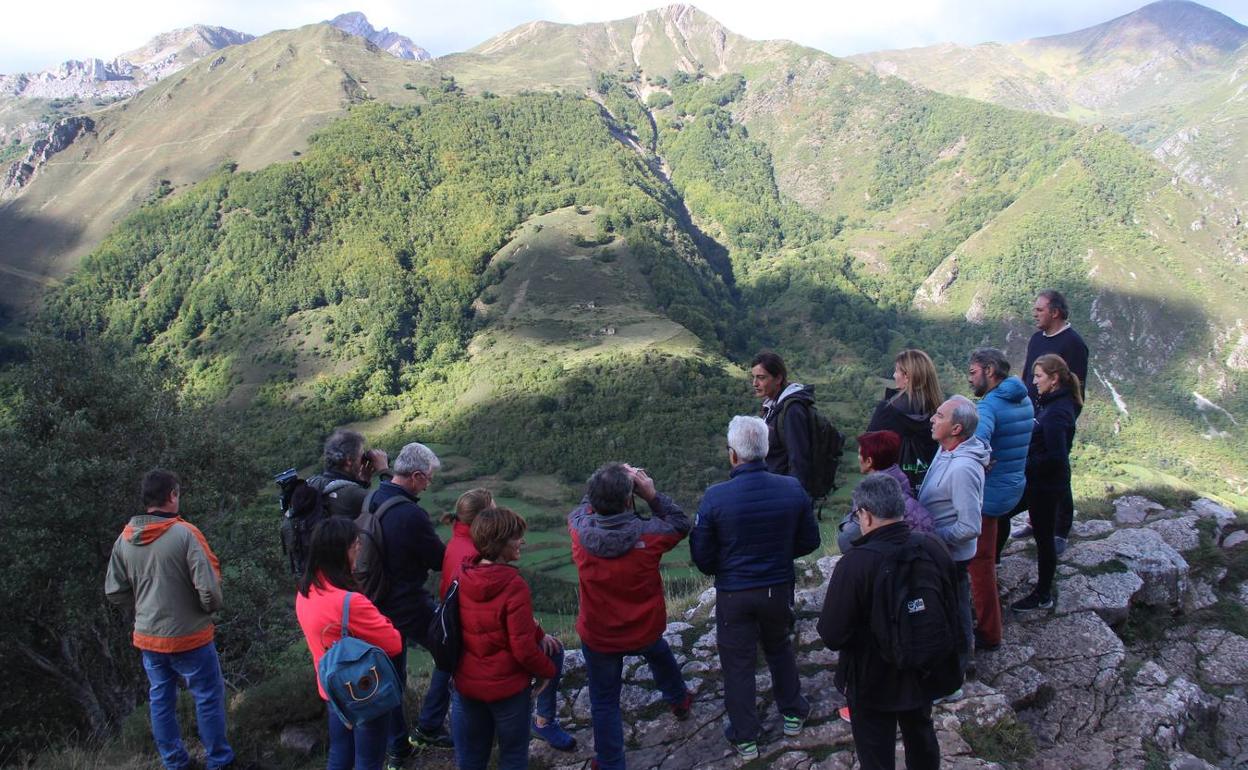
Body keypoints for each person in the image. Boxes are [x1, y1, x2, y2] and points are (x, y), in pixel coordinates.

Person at [689, 416, 820, 759]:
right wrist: (778, 554)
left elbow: (702, 557)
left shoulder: (715, 498)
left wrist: (728, 567)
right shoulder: (792, 488)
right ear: (765, 450)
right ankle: (792, 713)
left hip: (735, 593)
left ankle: (745, 737)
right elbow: (810, 540)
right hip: (778, 587)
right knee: (780, 648)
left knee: (738, 662)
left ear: (733, 455)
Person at [818, 473, 961, 770]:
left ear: (866, 515)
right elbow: (951, 602)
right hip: (923, 667)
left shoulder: (855, 564)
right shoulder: (932, 547)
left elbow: (832, 634)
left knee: (875, 751)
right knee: (921, 734)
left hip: (871, 678)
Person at [104, 469, 236, 770]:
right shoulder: (185, 533)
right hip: (190, 635)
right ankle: (219, 760)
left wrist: (143, 608)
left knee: (161, 700)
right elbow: (210, 590)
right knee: (206, 697)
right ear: (172, 495)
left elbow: (114, 591)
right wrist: (207, 610)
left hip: (149, 637)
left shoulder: (124, 540)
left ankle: (175, 762)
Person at [569, 463, 693, 770]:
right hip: (644, 627)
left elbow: (583, 507)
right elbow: (680, 523)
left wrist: (606, 483)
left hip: (599, 635)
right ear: (629, 501)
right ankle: (679, 699)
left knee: (604, 700)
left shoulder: (579, 531)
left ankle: (611, 763)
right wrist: (651, 495)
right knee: (658, 652)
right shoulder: (649, 536)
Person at [439, 490, 574, 751]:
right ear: (499, 540)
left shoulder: (464, 565)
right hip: (505, 685)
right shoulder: (513, 585)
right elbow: (522, 648)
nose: (522, 542)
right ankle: (545, 721)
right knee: (513, 756)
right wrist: (547, 672)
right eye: (516, 537)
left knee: (471, 758)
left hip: (466, 681)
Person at [363, 442, 452, 768]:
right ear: (415, 476)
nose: (428, 484)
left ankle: (398, 748)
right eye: (427, 478)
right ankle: (428, 726)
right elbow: (439, 559)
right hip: (408, 603)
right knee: (450, 652)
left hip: (375, 602)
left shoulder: (375, 496)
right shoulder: (410, 515)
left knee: (392, 679)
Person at [296, 517, 402, 770]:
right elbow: (394, 643)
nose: (359, 549)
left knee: (340, 755)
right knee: (368, 761)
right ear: (343, 551)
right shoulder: (349, 602)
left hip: (331, 690)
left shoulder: (305, 591)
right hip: (363, 691)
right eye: (356, 544)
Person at [918, 397, 988, 682]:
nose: (932, 419)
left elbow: (970, 526)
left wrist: (931, 537)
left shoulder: (963, 469)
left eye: (939, 416)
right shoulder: (945, 450)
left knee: (956, 609)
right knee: (949, 606)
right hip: (940, 551)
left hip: (952, 556)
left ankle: (959, 667)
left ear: (956, 428)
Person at [967, 348, 1033, 652]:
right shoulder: (1023, 397)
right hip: (1014, 487)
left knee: (980, 564)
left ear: (990, 371)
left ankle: (990, 632)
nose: (970, 379)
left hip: (990, 495)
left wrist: (976, 458)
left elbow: (977, 444)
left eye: (973, 372)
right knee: (989, 554)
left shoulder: (990, 405)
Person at [1019, 290, 1089, 550]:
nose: (1035, 313)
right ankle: (1035, 520)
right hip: (1032, 414)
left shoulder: (1073, 344)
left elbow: (1077, 384)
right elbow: (1027, 373)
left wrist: (1065, 416)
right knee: (1034, 467)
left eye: (1039, 309)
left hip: (1056, 416)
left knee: (1057, 468)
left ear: (1055, 312)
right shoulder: (1037, 339)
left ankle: (1061, 528)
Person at [1013, 354, 1082, 611]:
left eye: (1038, 376)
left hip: (1045, 485)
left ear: (1053, 379)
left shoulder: (1056, 413)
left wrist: (1024, 463)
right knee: (1003, 516)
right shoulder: (1053, 403)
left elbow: (1056, 456)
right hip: (1039, 481)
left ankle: (1043, 595)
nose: (1034, 381)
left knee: (1044, 538)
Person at [838, 430, 935, 552]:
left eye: (859, 454)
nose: (858, 458)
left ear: (869, 461)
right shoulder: (901, 481)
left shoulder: (871, 494)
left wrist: (847, 525)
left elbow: (849, 540)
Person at [866, 349, 943, 490]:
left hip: (890, 490)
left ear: (907, 376)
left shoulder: (887, 410)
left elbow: (868, 453)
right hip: (930, 489)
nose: (894, 375)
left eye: (896, 371)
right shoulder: (941, 413)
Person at [751, 351, 817, 493]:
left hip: (785, 494)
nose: (755, 383)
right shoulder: (772, 407)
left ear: (778, 378)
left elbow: (798, 459)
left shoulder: (792, 411)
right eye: (754, 377)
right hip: (775, 490)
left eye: (761, 378)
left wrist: (794, 499)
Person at [309, 428, 391, 518]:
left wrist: (361, 484)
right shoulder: (352, 494)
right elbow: (395, 505)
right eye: (361, 456)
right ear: (349, 461)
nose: (364, 461)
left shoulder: (315, 483)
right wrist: (384, 470)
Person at [439, 488, 494, 600]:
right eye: (494, 513)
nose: (498, 517)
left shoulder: (457, 541)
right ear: (482, 519)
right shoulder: (475, 554)